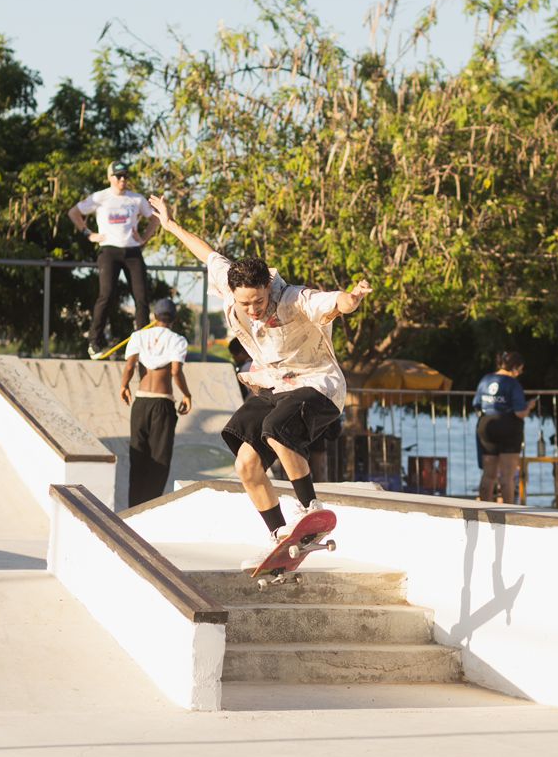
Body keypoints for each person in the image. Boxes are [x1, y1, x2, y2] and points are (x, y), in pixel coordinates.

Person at [147, 194, 370, 559]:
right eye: (244, 303)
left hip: (318, 384)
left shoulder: (294, 299)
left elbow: (333, 302)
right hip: (276, 383)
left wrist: (352, 299)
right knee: (245, 464)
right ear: (232, 292)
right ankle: (280, 533)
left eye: (259, 301)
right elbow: (207, 254)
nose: (252, 309)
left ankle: (310, 509)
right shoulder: (231, 283)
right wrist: (170, 225)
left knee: (276, 428)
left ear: (269, 287)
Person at [67, 162, 159, 353]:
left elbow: (155, 218)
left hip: (132, 251)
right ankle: (95, 341)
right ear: (110, 178)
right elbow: (74, 213)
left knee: (141, 297)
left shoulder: (136, 199)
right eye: (118, 176)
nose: (122, 179)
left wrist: (144, 238)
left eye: (125, 176)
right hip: (109, 251)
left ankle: (143, 341)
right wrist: (88, 234)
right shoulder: (100, 197)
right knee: (106, 295)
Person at [120, 297, 193, 506]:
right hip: (162, 403)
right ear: (174, 319)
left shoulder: (138, 336)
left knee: (138, 457)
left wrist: (124, 386)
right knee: (159, 458)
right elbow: (176, 371)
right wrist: (187, 394)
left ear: (154, 316)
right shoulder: (178, 340)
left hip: (141, 402)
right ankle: (150, 507)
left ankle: (133, 508)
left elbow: (130, 365)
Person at [474, 352, 535, 503]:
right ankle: (509, 512)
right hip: (508, 426)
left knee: (488, 475)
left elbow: (477, 405)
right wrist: (529, 407)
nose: (520, 373)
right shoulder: (513, 383)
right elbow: (519, 413)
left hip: (486, 425)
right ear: (515, 367)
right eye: (520, 369)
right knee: (507, 477)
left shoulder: (486, 379)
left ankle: (484, 510)